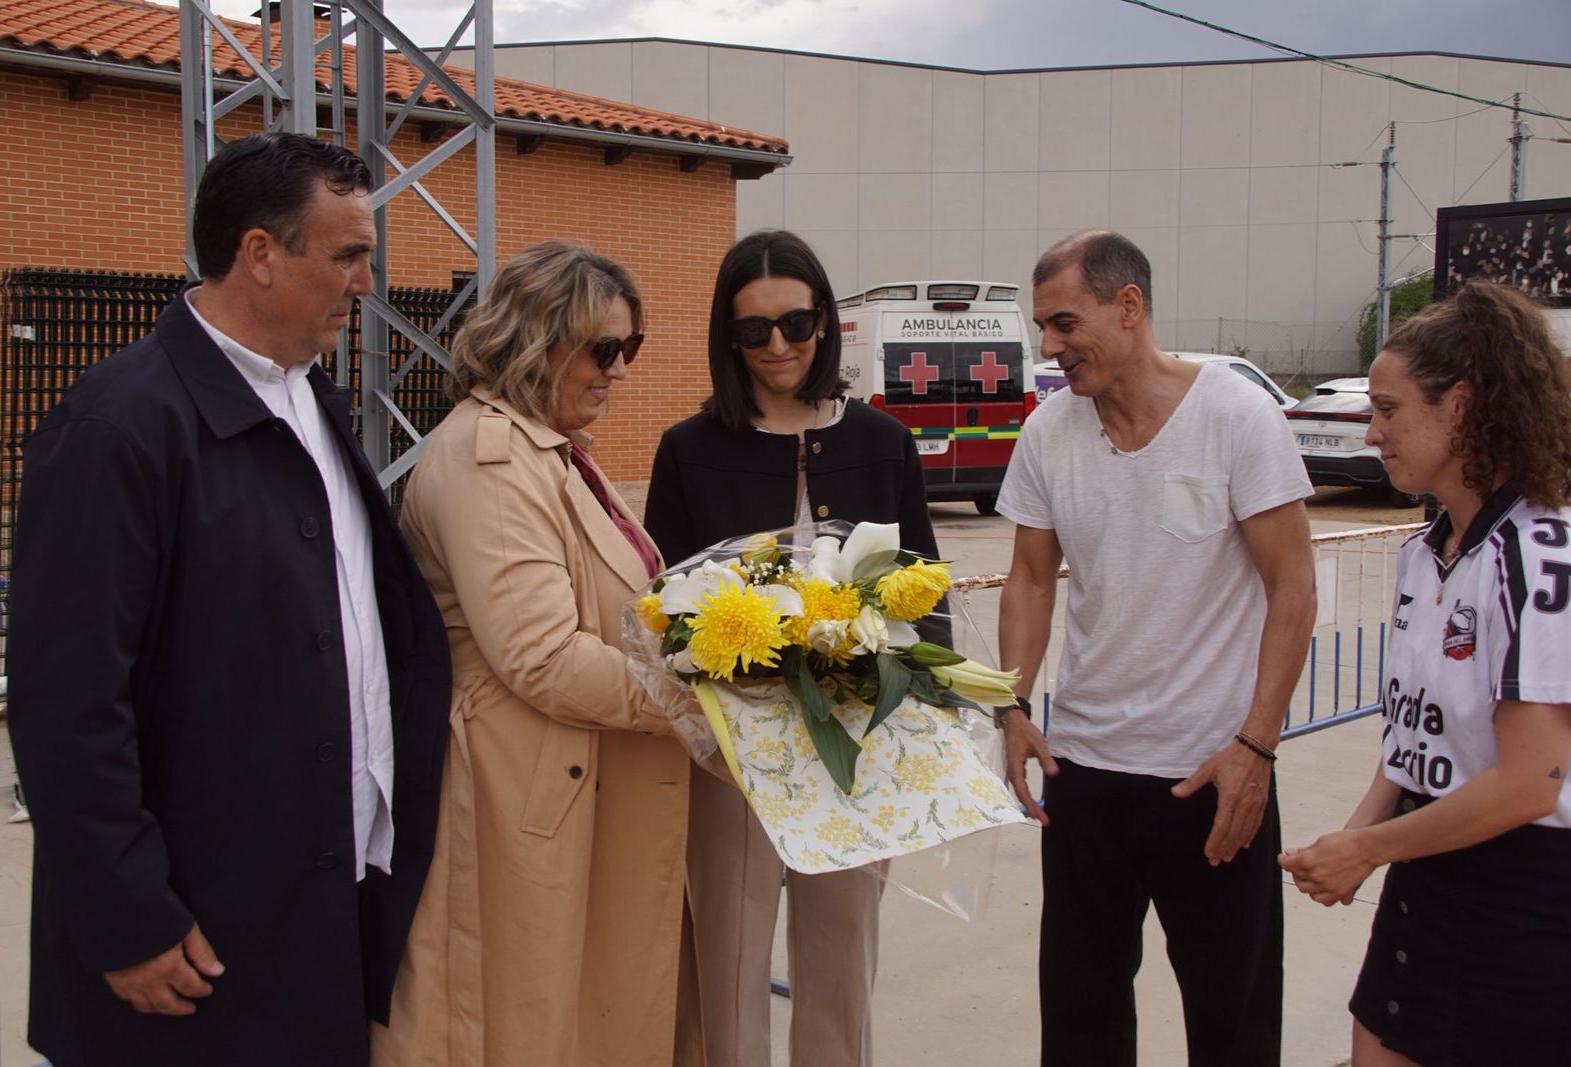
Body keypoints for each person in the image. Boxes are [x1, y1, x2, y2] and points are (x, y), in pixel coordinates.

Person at [5, 132, 451, 1064]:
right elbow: (69, 704)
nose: (366, 284)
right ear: (259, 253)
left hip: (315, 911)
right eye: (347, 256)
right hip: (189, 941)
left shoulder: (315, 402)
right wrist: (126, 915)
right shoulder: (117, 426)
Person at [996, 230, 1317, 1066]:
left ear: (1129, 306)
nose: (1049, 346)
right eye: (1043, 327)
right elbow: (1031, 578)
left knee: (1232, 1020)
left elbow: (1294, 586)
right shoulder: (1049, 434)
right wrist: (1013, 704)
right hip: (1086, 773)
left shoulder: (1237, 417)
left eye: (1065, 323)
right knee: (1080, 1018)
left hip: (1213, 774)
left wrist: (1257, 745)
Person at [372, 240, 694, 1066]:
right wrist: (701, 705)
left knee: (576, 1016)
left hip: (565, 773)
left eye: (631, 347)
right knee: (518, 1021)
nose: (619, 368)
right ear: (533, 338)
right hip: (523, 784)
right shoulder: (493, 457)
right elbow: (542, 657)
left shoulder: (545, 445)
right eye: (602, 347)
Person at [643, 229, 937, 1067]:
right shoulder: (689, 449)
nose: (777, 346)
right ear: (725, 338)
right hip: (734, 755)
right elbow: (663, 608)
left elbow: (924, 588)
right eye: (752, 330)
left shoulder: (883, 440)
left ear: (825, 323)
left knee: (842, 966)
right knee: (729, 966)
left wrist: (918, 714)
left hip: (854, 748)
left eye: (796, 323)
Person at [1279, 282, 1571, 1067]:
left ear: (1463, 406)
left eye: (1388, 409)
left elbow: (1529, 783)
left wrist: (1371, 851)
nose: (1372, 432)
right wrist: (1357, 835)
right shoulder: (1422, 551)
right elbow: (1414, 738)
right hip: (1426, 869)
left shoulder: (1537, 555)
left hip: (1521, 895)